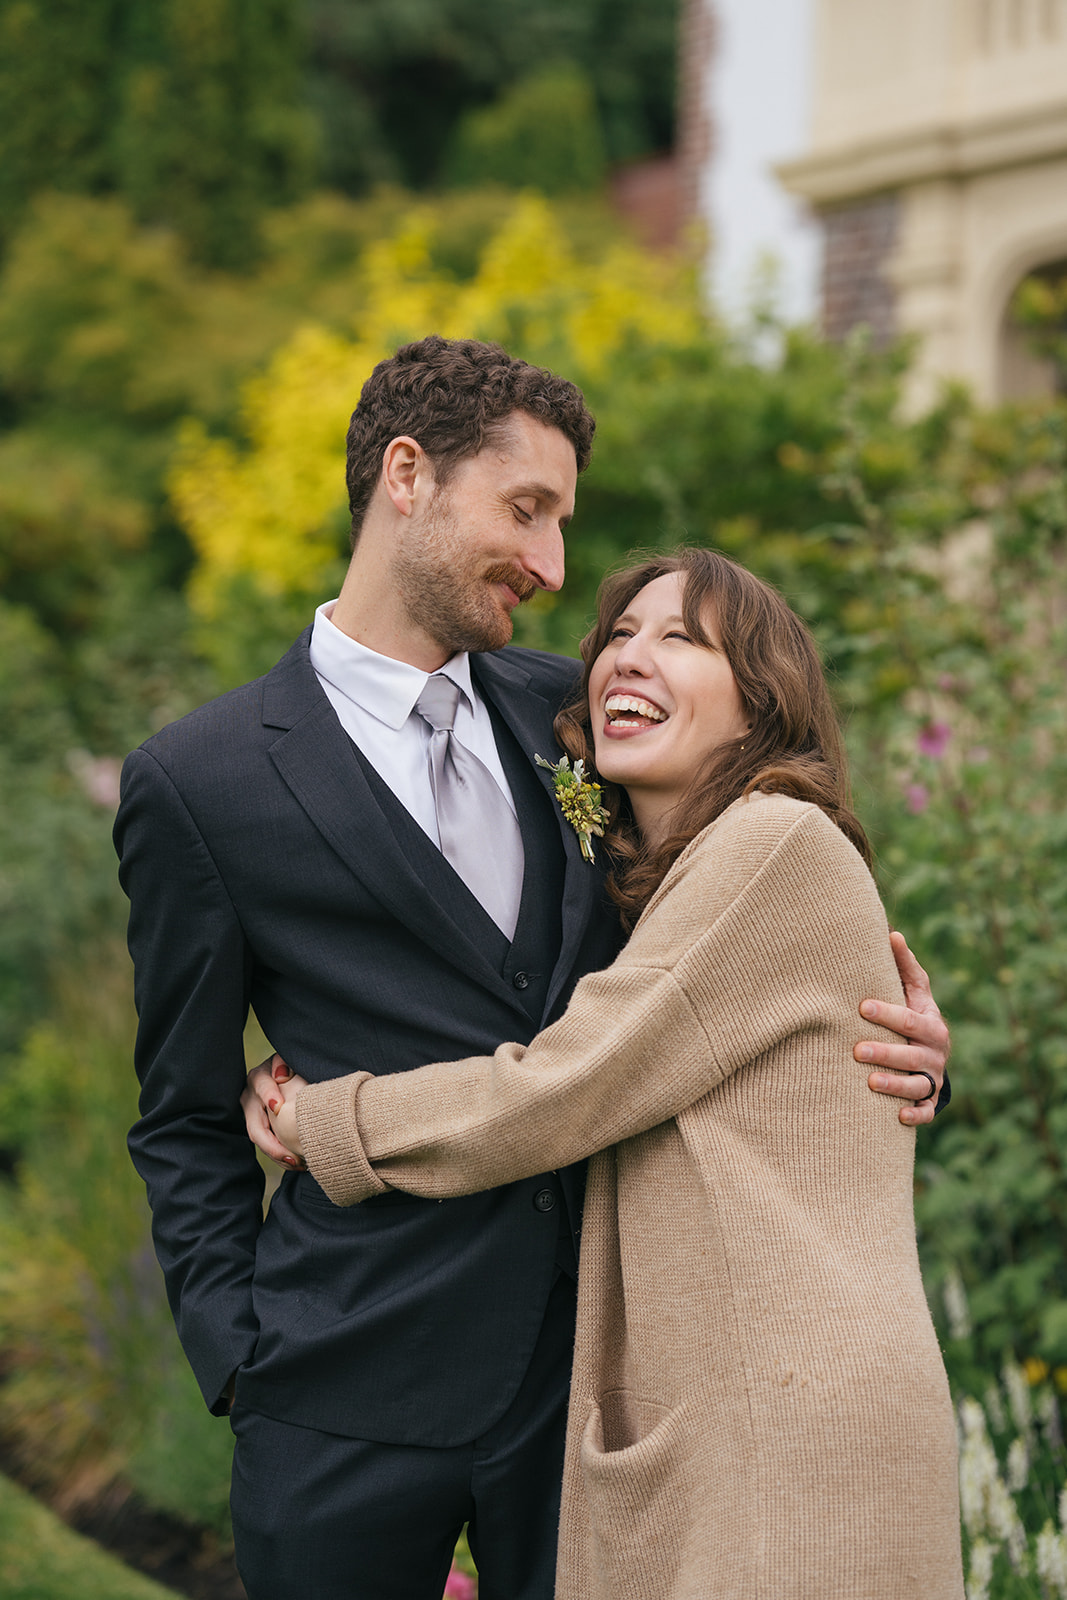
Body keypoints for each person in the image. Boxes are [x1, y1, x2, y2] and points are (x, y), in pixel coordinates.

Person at [117, 335, 949, 1600]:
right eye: (526, 511)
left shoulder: (578, 716)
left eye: (562, 523)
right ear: (408, 475)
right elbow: (180, 1108)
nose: (555, 567)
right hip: (343, 1382)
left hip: (593, 1398)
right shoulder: (202, 781)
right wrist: (240, 1356)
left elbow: (708, 944)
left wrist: (887, 1043)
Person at [246, 549, 964, 1599]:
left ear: (761, 701)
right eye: (617, 637)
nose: (629, 658)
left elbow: (562, 1085)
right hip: (739, 1406)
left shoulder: (770, 842)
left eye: (680, 638)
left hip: (789, 1425)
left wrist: (329, 1122)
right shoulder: (666, 878)